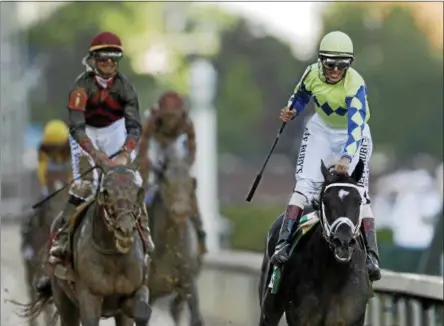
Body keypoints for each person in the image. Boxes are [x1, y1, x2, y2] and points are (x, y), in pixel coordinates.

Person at [270, 31, 381, 281]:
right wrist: (291, 111)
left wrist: (346, 157)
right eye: (330, 64)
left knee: (359, 192)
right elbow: (300, 96)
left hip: (353, 135)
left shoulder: (355, 84)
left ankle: (372, 255)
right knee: (304, 186)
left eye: (341, 66)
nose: (334, 70)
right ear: (321, 61)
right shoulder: (311, 73)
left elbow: (355, 128)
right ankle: (283, 244)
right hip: (320, 130)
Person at [48, 31, 154, 267]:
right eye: (103, 59)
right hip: (86, 132)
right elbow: (76, 127)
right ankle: (64, 237)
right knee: (85, 185)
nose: (109, 65)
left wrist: (125, 152)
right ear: (93, 60)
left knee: (130, 181)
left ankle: (144, 232)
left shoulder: (126, 87)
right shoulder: (81, 87)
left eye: (113, 60)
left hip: (116, 131)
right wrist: (96, 155)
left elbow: (134, 126)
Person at [138, 91, 207, 256]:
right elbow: (144, 147)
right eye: (168, 116)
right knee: (148, 186)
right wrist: (146, 172)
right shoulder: (151, 120)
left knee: (186, 188)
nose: (171, 120)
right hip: (155, 143)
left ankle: (200, 233)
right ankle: (140, 228)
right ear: (160, 113)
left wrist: (185, 166)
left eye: (174, 116)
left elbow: (191, 146)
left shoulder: (186, 122)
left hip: (174, 145)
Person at [21, 119, 71, 258]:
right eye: (50, 147)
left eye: (56, 146)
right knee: (32, 215)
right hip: (50, 190)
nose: (53, 150)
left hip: (70, 189)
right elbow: (42, 169)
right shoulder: (42, 150)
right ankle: (29, 246)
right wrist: (46, 187)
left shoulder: (74, 150)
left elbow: (77, 171)